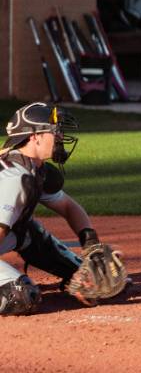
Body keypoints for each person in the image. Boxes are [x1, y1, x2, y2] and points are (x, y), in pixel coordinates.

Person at [0, 103, 119, 314]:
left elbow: (68, 206)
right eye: (55, 131)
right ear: (35, 136)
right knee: (20, 296)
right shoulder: (15, 178)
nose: (61, 137)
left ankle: (72, 271)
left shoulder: (34, 171)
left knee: (27, 231)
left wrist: (90, 244)